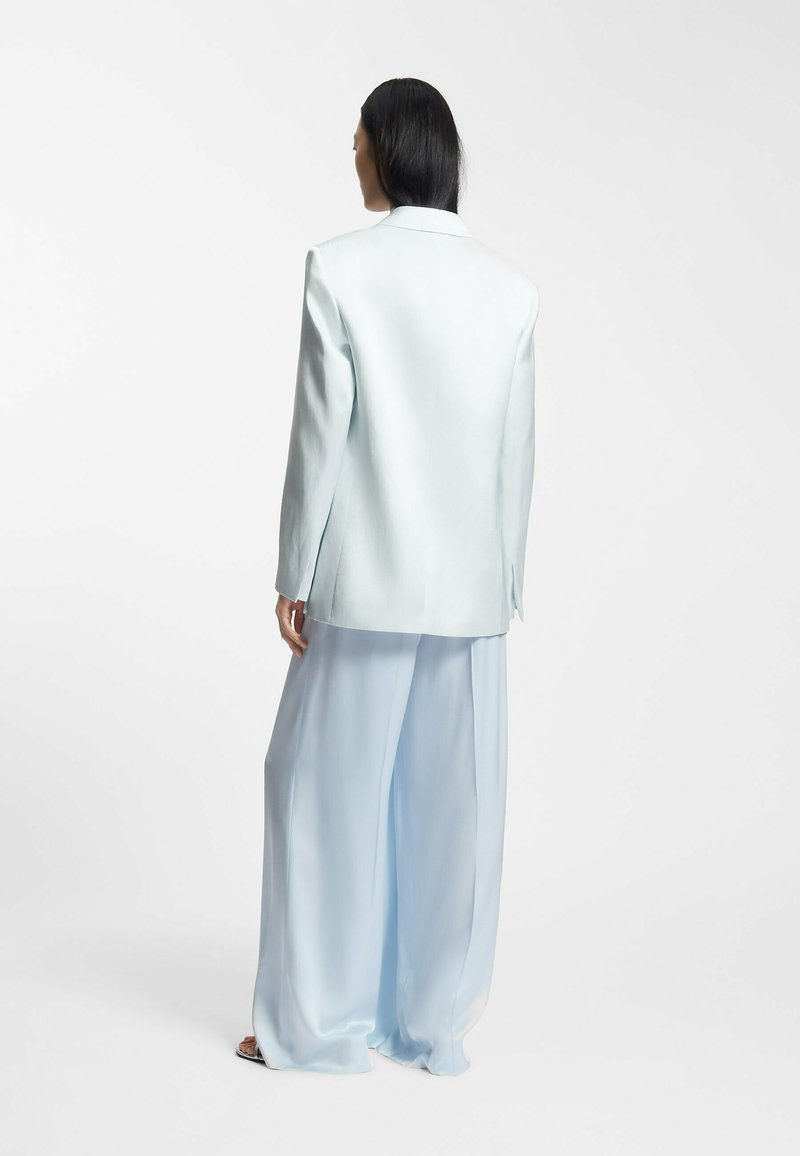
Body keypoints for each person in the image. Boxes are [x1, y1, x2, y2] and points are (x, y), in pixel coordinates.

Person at [237, 77, 540, 1076]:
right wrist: (505, 583)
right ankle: (429, 1024)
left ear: (390, 149)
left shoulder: (340, 268)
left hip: (362, 583)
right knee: (449, 810)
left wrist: (293, 571)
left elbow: (318, 436)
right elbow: (515, 455)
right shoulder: (510, 290)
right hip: (470, 593)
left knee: (320, 794)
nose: (353, 155)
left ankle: (317, 1026)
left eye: (359, 141)